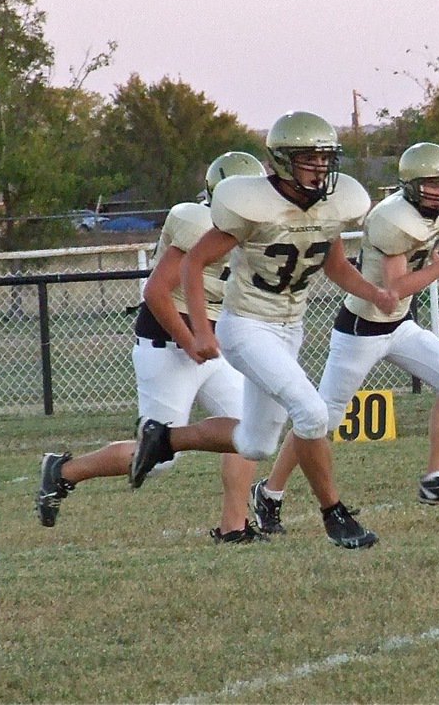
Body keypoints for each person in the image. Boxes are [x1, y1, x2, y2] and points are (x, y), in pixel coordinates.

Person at [129, 110, 397, 549]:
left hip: (290, 328)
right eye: (309, 159)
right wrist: (201, 332)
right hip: (247, 326)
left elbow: (334, 267)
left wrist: (375, 293)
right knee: (312, 413)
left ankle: (165, 438)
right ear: (284, 161)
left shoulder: (329, 206)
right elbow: (194, 263)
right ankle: (335, 514)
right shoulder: (252, 203)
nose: (320, 168)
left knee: (254, 444)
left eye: (325, 158)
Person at [35, 151, 267, 543]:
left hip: (209, 345)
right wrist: (190, 342)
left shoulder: (250, 232)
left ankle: (234, 527)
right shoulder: (198, 222)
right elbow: (156, 291)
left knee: (249, 432)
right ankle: (62, 472)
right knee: (159, 459)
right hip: (169, 345)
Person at [248, 142, 439, 531]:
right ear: (411, 185)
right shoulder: (391, 219)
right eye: (433, 184)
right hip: (362, 328)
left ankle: (435, 479)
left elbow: (431, 249)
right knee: (320, 420)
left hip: (399, 326)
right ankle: (269, 493)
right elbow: (395, 289)